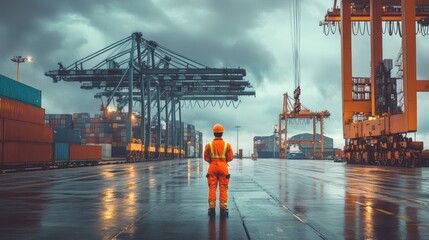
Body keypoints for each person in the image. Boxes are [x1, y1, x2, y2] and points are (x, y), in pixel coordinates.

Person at [204, 123, 234, 216]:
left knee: (212, 187)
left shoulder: (209, 145)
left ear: (214, 133)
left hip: (212, 167)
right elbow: (230, 157)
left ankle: (211, 209)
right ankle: (223, 209)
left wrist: (212, 161)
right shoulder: (226, 145)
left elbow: (206, 157)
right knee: (223, 187)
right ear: (222, 133)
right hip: (223, 167)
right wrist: (223, 160)